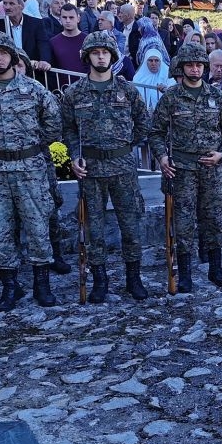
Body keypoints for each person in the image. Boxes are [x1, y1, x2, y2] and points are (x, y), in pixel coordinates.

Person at [0, 32, 62, 311]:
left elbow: (53, 124)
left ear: (12, 56)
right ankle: (10, 286)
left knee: (37, 226)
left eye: (3, 53)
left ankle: (42, 284)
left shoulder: (33, 90)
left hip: (30, 169)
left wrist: (32, 146)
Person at [61, 31, 149, 302]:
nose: (101, 57)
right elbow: (68, 129)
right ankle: (100, 280)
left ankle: (133, 278)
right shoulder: (74, 93)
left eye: (105, 53)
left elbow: (143, 122)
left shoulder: (127, 90)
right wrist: (75, 156)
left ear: (112, 56)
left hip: (123, 169)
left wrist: (125, 146)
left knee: (131, 226)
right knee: (94, 229)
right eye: (95, 53)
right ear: (87, 57)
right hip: (91, 170)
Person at [149, 43, 222, 291]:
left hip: (212, 169)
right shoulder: (171, 98)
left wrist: (221, 154)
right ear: (182, 67)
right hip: (182, 169)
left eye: (199, 65)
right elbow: (156, 132)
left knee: (214, 218)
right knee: (184, 221)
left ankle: (215, 267)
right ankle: (185, 273)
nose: (195, 69)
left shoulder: (217, 96)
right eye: (190, 65)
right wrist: (162, 157)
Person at [49, 3, 87, 74]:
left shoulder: (88, 40)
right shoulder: (53, 42)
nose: (68, 21)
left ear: (78, 19)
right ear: (60, 19)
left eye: (71, 17)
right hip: (61, 81)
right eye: (64, 17)